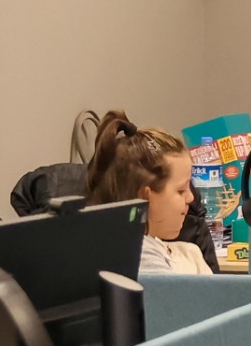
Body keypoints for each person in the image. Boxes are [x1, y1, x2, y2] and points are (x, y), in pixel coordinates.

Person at [83, 112, 212, 276]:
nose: (191, 198)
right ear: (145, 197)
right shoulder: (138, 254)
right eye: (181, 191)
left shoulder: (181, 251)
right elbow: (169, 292)